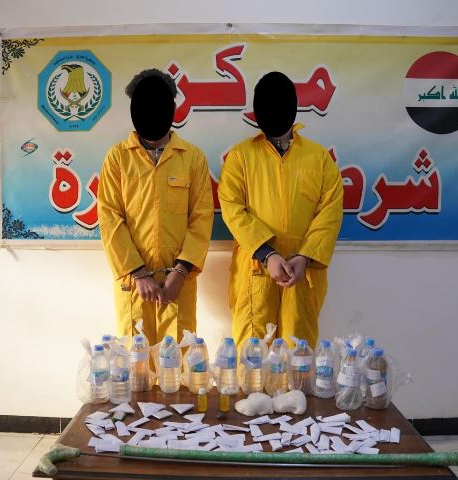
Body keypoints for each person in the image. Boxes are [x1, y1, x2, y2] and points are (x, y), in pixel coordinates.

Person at [218, 71, 343, 349]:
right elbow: (232, 208)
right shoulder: (240, 157)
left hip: (302, 274)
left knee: (298, 357)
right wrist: (267, 254)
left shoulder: (319, 158)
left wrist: (305, 256)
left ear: (293, 107)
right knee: (252, 358)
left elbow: (330, 212)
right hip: (255, 272)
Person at [98, 69, 214, 343]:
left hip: (178, 284)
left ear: (171, 107)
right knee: (135, 362)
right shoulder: (117, 158)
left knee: (179, 362)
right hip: (134, 286)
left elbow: (201, 217)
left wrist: (181, 271)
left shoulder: (193, 158)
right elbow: (109, 218)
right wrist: (139, 273)